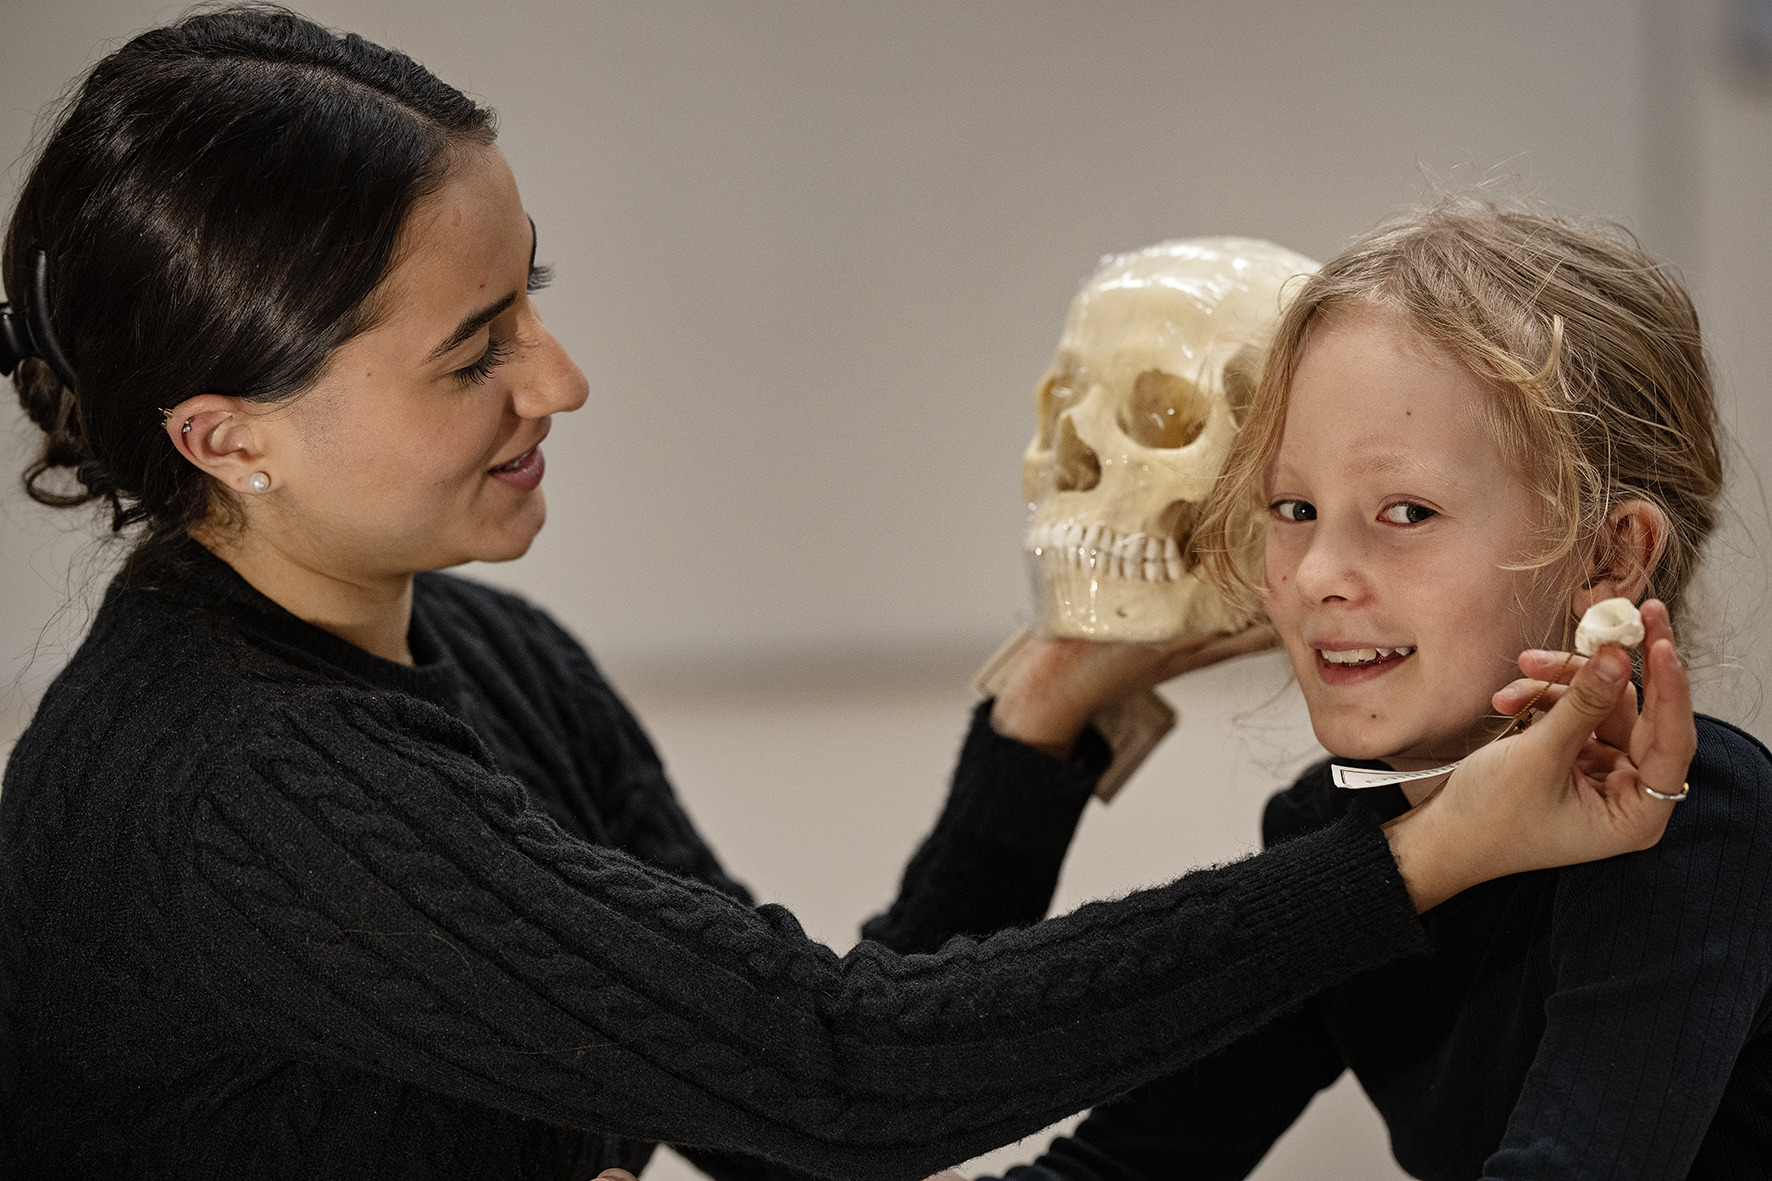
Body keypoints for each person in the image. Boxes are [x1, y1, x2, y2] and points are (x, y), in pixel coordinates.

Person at [0, 11, 1692, 1179]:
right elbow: (845, 1081)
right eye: (474, 352)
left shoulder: (479, 651)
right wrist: (1427, 850)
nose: (563, 380)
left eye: (534, 298)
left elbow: (773, 1103)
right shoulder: (242, 792)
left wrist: (1049, 712)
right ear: (227, 436)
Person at [970, 202, 1768, 1181]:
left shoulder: (1693, 815)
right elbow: (1119, 1168)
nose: (1313, 575)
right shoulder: (1334, 825)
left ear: (1607, 554)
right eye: (1292, 507)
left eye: (1404, 510)